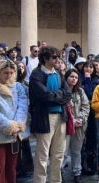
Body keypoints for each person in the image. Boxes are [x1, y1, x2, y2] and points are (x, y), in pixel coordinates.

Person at [28, 46, 72, 183]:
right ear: (45, 58)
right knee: (42, 155)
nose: (57, 59)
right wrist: (59, 96)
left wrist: (56, 96)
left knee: (59, 154)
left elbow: (68, 93)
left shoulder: (58, 73)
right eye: (54, 57)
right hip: (45, 118)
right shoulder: (36, 75)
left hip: (61, 117)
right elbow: (45, 96)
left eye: (58, 57)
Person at [0, 60, 29, 183]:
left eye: (11, 72)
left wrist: (17, 125)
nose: (9, 76)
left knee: (12, 168)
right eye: (5, 73)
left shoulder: (17, 87)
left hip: (15, 135)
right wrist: (9, 125)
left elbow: (23, 106)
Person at [63, 69, 90, 183]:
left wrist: (81, 119)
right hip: (64, 126)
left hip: (78, 126)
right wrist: (70, 120)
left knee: (76, 151)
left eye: (76, 77)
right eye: (71, 76)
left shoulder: (80, 91)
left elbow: (86, 106)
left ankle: (77, 173)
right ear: (66, 77)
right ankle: (59, 172)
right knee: (63, 151)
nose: (74, 79)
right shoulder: (61, 91)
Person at [81, 61, 99, 175]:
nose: (88, 69)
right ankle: (81, 164)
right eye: (86, 67)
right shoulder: (78, 78)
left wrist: (88, 79)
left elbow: (89, 94)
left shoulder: (96, 81)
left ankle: (91, 164)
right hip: (80, 111)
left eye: (90, 67)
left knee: (91, 138)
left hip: (92, 113)